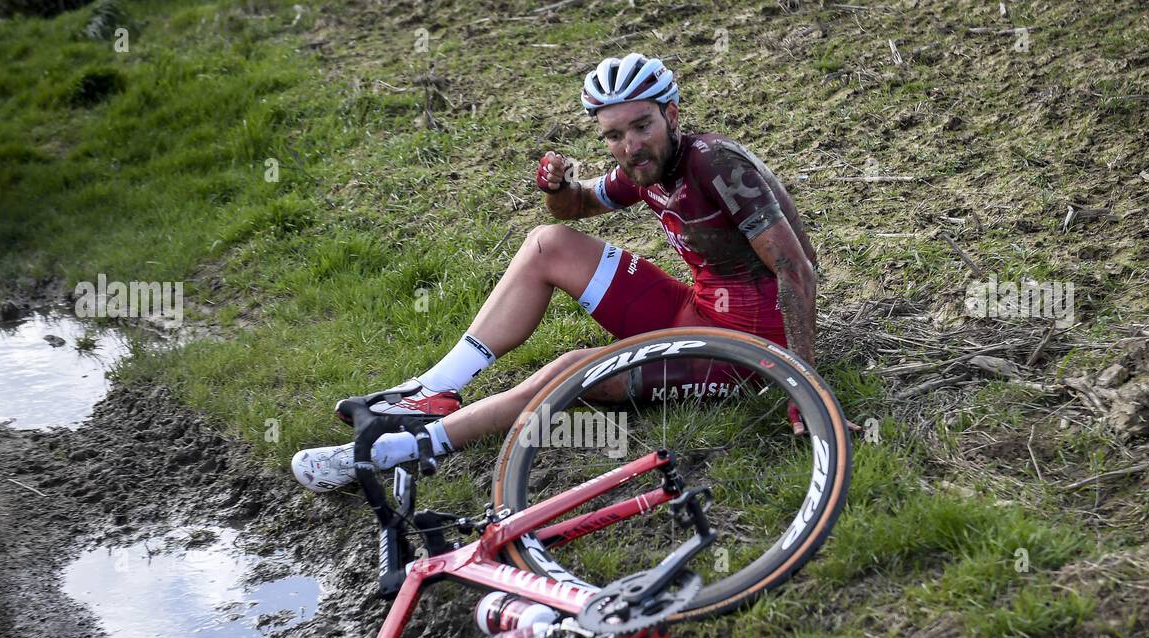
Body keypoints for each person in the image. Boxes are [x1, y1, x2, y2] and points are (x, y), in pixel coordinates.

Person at [293, 52, 824, 493]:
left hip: (749, 349)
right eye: (614, 135)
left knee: (573, 369)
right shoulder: (645, 166)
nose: (630, 146)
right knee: (547, 243)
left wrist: (806, 393)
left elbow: (797, 267)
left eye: (642, 126)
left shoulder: (716, 164)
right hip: (696, 311)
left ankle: (396, 451)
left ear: (673, 115)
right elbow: (577, 208)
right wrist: (558, 190)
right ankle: (435, 388)